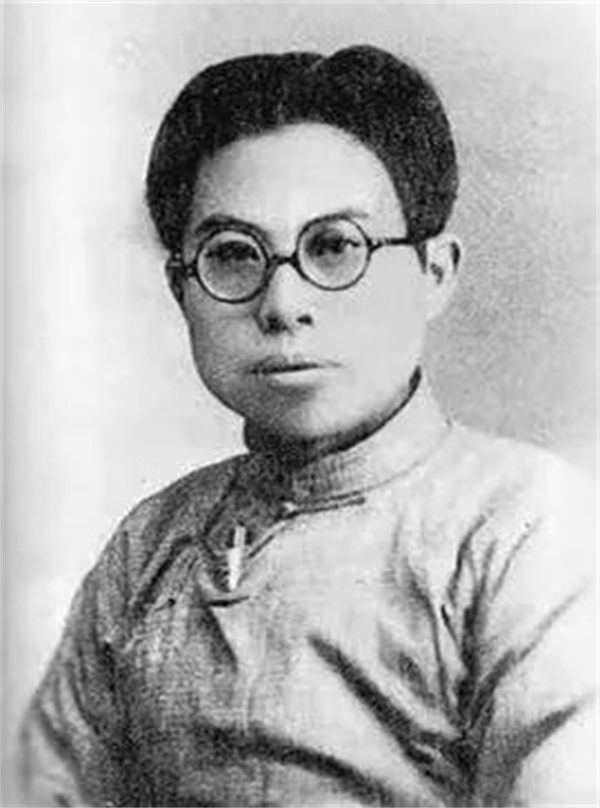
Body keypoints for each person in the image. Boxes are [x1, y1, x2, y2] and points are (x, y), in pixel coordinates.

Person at [19, 45, 596, 807]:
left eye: (334, 247)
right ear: (180, 289)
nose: (283, 305)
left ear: (434, 272)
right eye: (233, 255)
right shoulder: (148, 546)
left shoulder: (527, 527)